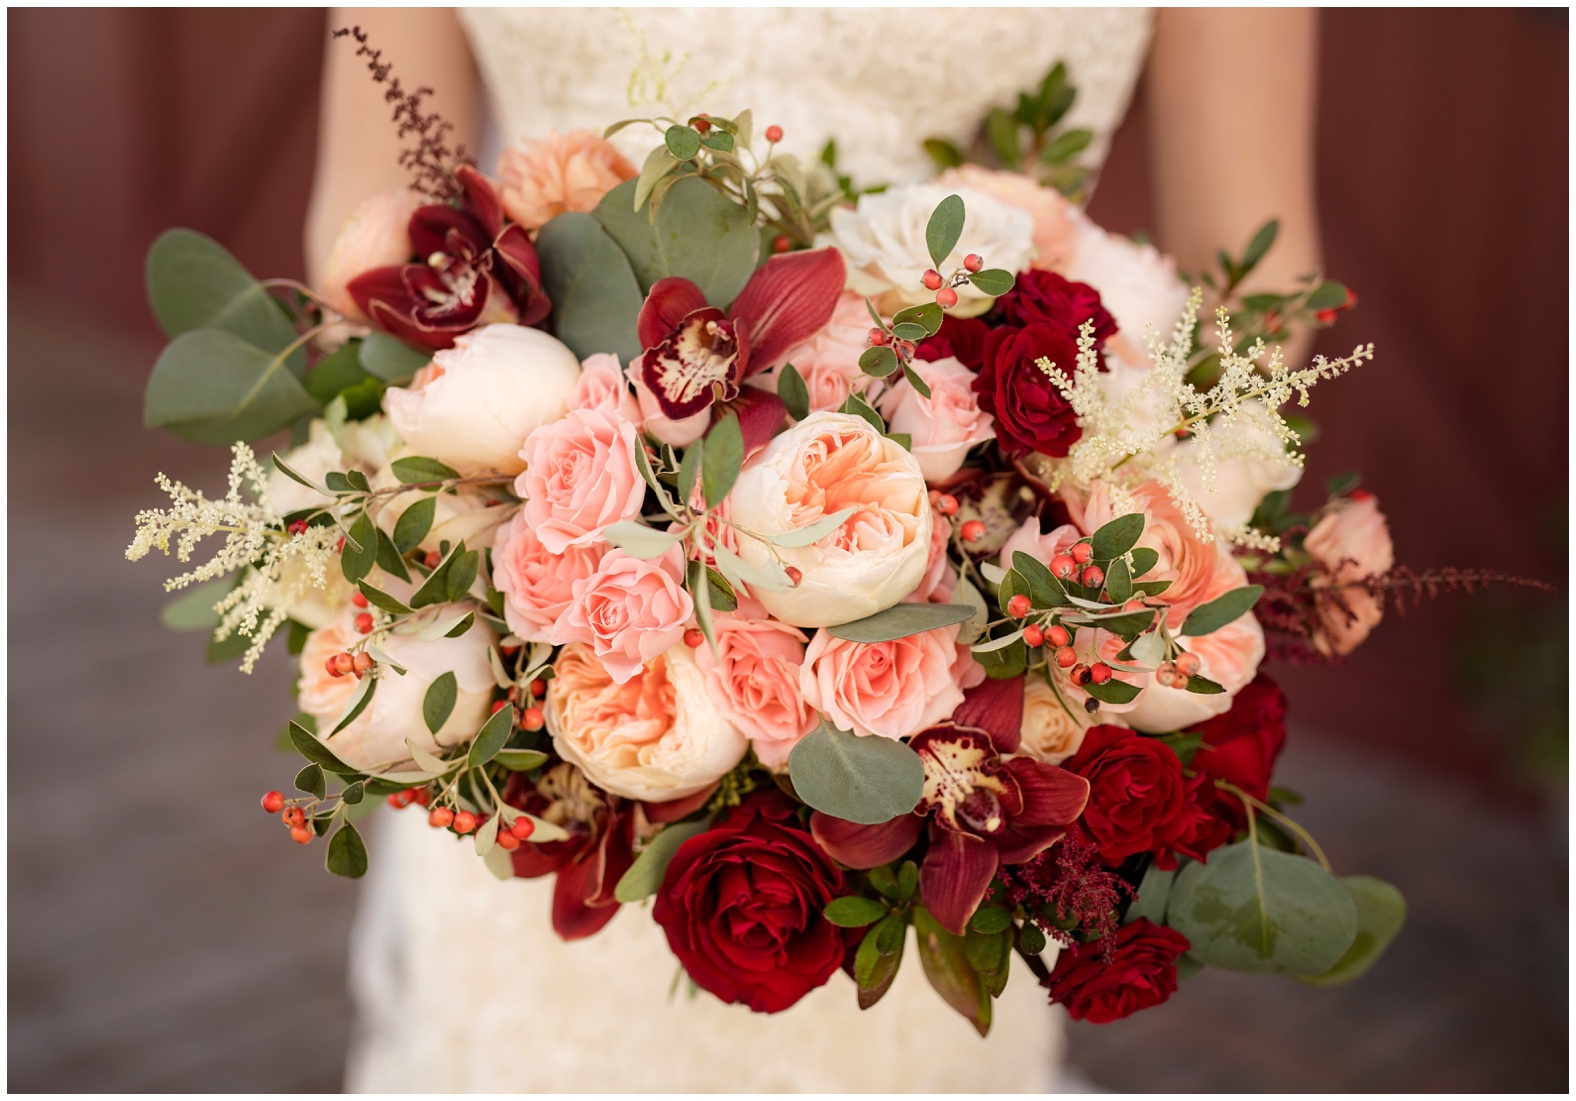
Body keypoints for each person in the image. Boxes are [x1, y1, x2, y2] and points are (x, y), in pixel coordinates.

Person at [306, 8, 1321, 1091]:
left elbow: (1257, 292)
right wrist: (509, 510)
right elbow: (361, 241)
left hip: (954, 697)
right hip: (560, 664)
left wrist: (1049, 543)